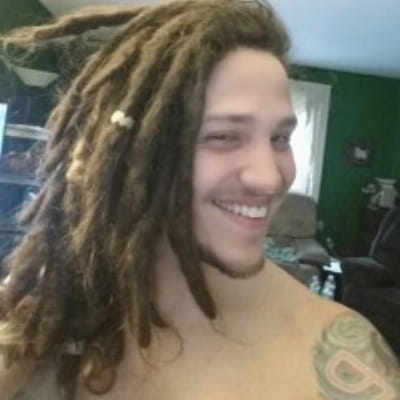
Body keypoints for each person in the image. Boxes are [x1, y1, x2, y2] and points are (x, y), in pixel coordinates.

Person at [0, 0, 399, 399]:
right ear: (133, 152)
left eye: (280, 138)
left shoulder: (339, 361)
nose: (270, 177)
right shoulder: (46, 308)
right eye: (223, 136)